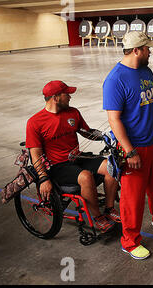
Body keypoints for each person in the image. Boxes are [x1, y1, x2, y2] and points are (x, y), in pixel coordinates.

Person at [103, 31, 153, 260]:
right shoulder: (115, 79)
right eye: (148, 48)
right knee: (132, 198)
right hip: (133, 148)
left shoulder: (145, 71)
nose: (151, 51)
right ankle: (129, 241)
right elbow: (114, 119)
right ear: (137, 50)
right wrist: (129, 151)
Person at [26, 80, 120, 233]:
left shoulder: (73, 112)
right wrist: (43, 178)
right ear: (55, 98)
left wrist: (105, 136)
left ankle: (109, 209)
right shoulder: (35, 122)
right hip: (57, 166)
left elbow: (86, 132)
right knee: (85, 177)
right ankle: (97, 218)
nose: (70, 97)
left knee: (111, 166)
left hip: (77, 158)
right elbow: (35, 153)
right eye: (67, 94)